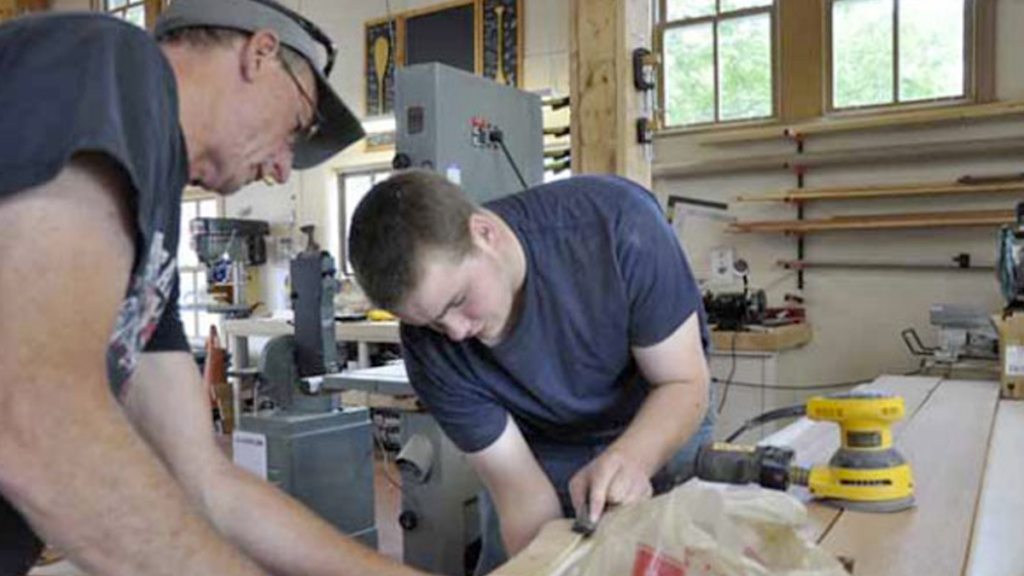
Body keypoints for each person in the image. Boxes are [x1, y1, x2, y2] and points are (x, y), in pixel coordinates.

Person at [0, 1, 434, 575]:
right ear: (260, 55)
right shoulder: (115, 59)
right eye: (298, 129)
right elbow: (35, 410)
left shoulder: (150, 232)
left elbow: (204, 480)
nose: (284, 169)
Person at [348, 170, 715, 574]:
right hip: (541, 447)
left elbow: (683, 382)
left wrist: (634, 457)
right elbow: (522, 498)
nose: (455, 332)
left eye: (459, 300)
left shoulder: (616, 226)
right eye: (433, 321)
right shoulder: (429, 350)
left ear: (484, 233)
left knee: (684, 558)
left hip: (657, 414)